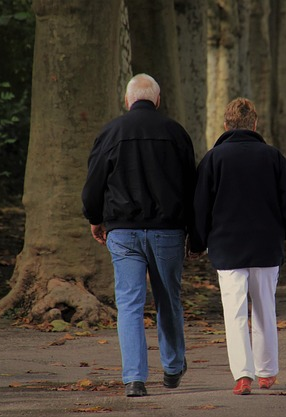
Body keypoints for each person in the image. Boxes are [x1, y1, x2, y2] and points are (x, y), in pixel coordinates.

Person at [81, 73, 195, 397]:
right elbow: (192, 186)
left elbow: (93, 184)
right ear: (157, 100)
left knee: (129, 303)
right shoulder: (176, 133)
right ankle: (173, 367)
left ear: (127, 100)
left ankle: (134, 378)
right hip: (167, 231)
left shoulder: (111, 132)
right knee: (168, 299)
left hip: (123, 230)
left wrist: (95, 219)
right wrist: (195, 231)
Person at [189, 98, 286, 395]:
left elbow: (200, 206)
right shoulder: (273, 157)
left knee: (234, 312)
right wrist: (284, 231)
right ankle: (267, 371)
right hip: (266, 244)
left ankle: (243, 374)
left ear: (226, 125)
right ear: (255, 124)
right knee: (265, 308)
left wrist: (197, 242)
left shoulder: (213, 159)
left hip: (227, 246)